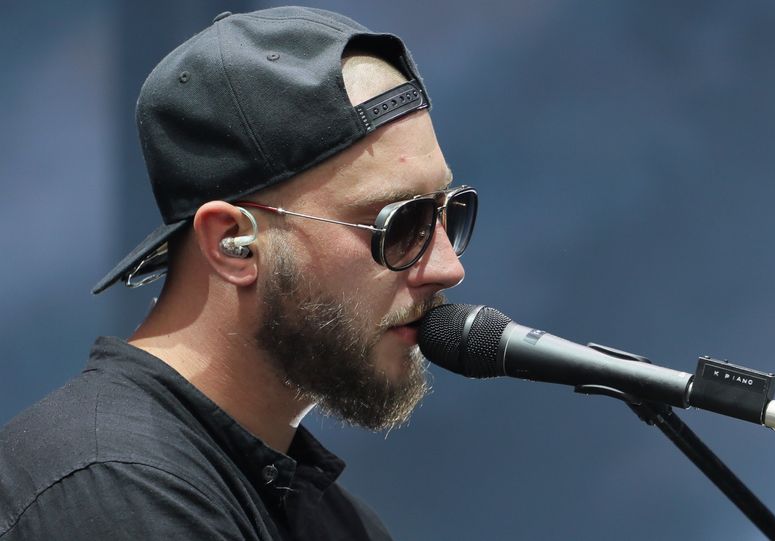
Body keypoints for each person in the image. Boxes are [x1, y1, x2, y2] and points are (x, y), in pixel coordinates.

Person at [0, 6, 476, 540]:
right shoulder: (116, 490)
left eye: (447, 212)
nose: (447, 267)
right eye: (399, 223)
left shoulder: (340, 522)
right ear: (233, 244)